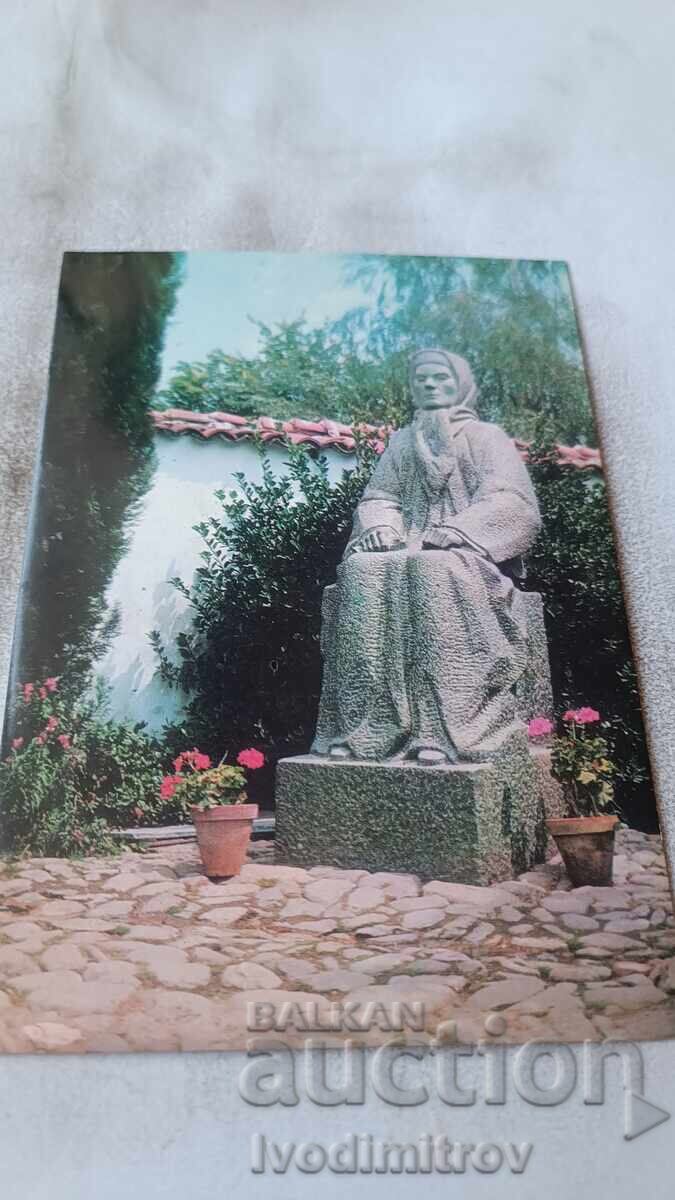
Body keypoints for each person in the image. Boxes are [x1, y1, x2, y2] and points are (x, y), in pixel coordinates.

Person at [311, 347, 542, 765]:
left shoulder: (486, 438)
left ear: (462, 384)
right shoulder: (402, 442)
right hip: (406, 549)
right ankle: (366, 727)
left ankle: (443, 728)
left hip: (468, 553)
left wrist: (459, 530)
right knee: (362, 571)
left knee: (432, 569)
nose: (431, 385)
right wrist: (382, 527)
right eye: (422, 379)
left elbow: (513, 502)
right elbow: (380, 497)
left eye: (441, 377)